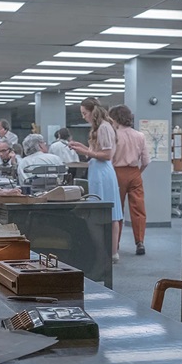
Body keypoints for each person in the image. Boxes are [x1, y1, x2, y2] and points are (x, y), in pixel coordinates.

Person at [69, 97, 124, 263]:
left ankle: (108, 253)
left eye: (85, 113)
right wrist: (83, 148)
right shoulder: (101, 127)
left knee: (106, 214)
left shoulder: (104, 128)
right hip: (98, 172)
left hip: (103, 173)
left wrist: (87, 152)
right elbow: (98, 152)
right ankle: (106, 252)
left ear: (93, 112)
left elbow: (107, 155)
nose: (83, 116)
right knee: (103, 214)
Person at [108, 104, 150, 256]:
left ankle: (115, 243)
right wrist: (138, 172)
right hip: (135, 173)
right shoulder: (140, 135)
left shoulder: (114, 135)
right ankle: (140, 242)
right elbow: (145, 161)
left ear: (115, 118)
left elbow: (109, 157)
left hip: (117, 172)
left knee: (117, 210)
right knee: (138, 209)